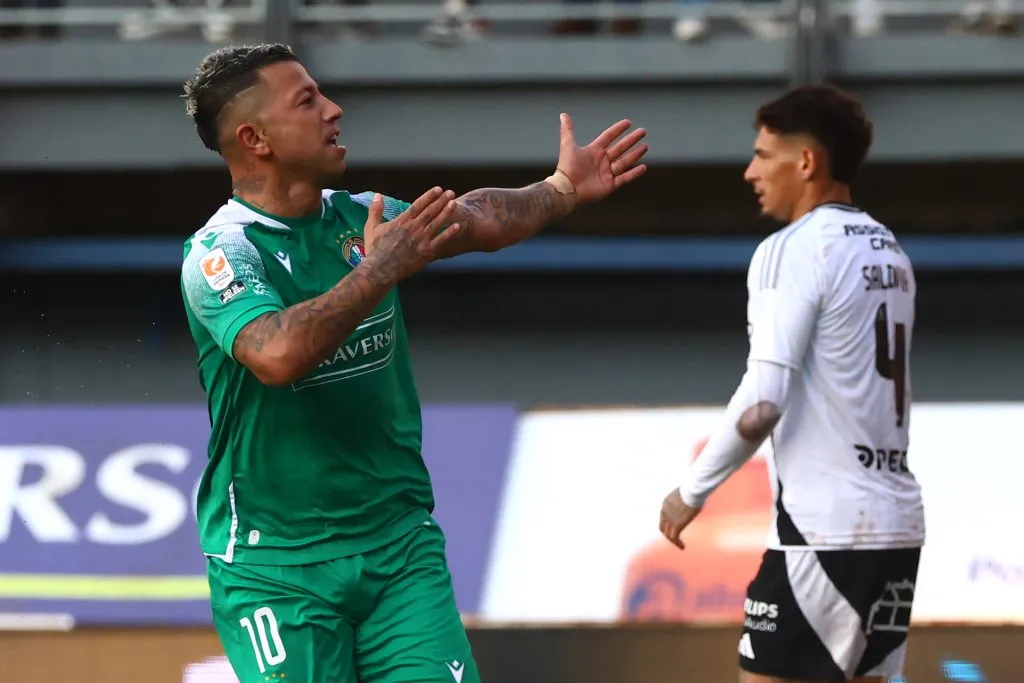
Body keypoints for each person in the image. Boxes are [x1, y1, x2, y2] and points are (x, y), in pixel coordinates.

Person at [178, 43, 647, 683]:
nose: (334, 111)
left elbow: (477, 219)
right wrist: (378, 272)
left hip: (398, 547)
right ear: (255, 137)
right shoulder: (220, 254)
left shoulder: (358, 217)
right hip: (276, 567)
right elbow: (277, 354)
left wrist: (562, 189)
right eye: (308, 101)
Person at [657, 84, 924, 683]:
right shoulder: (889, 249)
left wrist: (691, 492)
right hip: (895, 526)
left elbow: (763, 399)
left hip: (823, 533)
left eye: (762, 154)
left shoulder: (793, 249)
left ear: (806, 162)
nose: (750, 171)